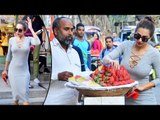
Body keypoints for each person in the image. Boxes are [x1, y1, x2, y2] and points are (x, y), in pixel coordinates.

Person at [103, 16, 160, 105]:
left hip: (145, 99)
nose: (140, 40)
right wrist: (111, 61)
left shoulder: (154, 53)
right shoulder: (125, 45)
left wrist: (142, 87)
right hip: (124, 99)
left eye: (144, 38)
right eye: (137, 36)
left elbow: (159, 78)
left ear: (150, 37)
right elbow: (105, 59)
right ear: (134, 33)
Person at [1, 17, 40, 105]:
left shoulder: (29, 40)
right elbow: (8, 56)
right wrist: (5, 70)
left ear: (25, 31)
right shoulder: (11, 40)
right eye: (16, 29)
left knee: (25, 98)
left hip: (24, 72)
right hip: (13, 71)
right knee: (15, 99)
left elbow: (38, 42)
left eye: (20, 30)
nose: (17, 32)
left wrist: (31, 28)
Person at [44, 17, 81, 105]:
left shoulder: (75, 53)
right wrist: (58, 76)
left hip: (74, 102)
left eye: (72, 30)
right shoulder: (49, 50)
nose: (70, 33)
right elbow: (40, 77)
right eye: (66, 29)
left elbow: (78, 77)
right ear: (56, 31)